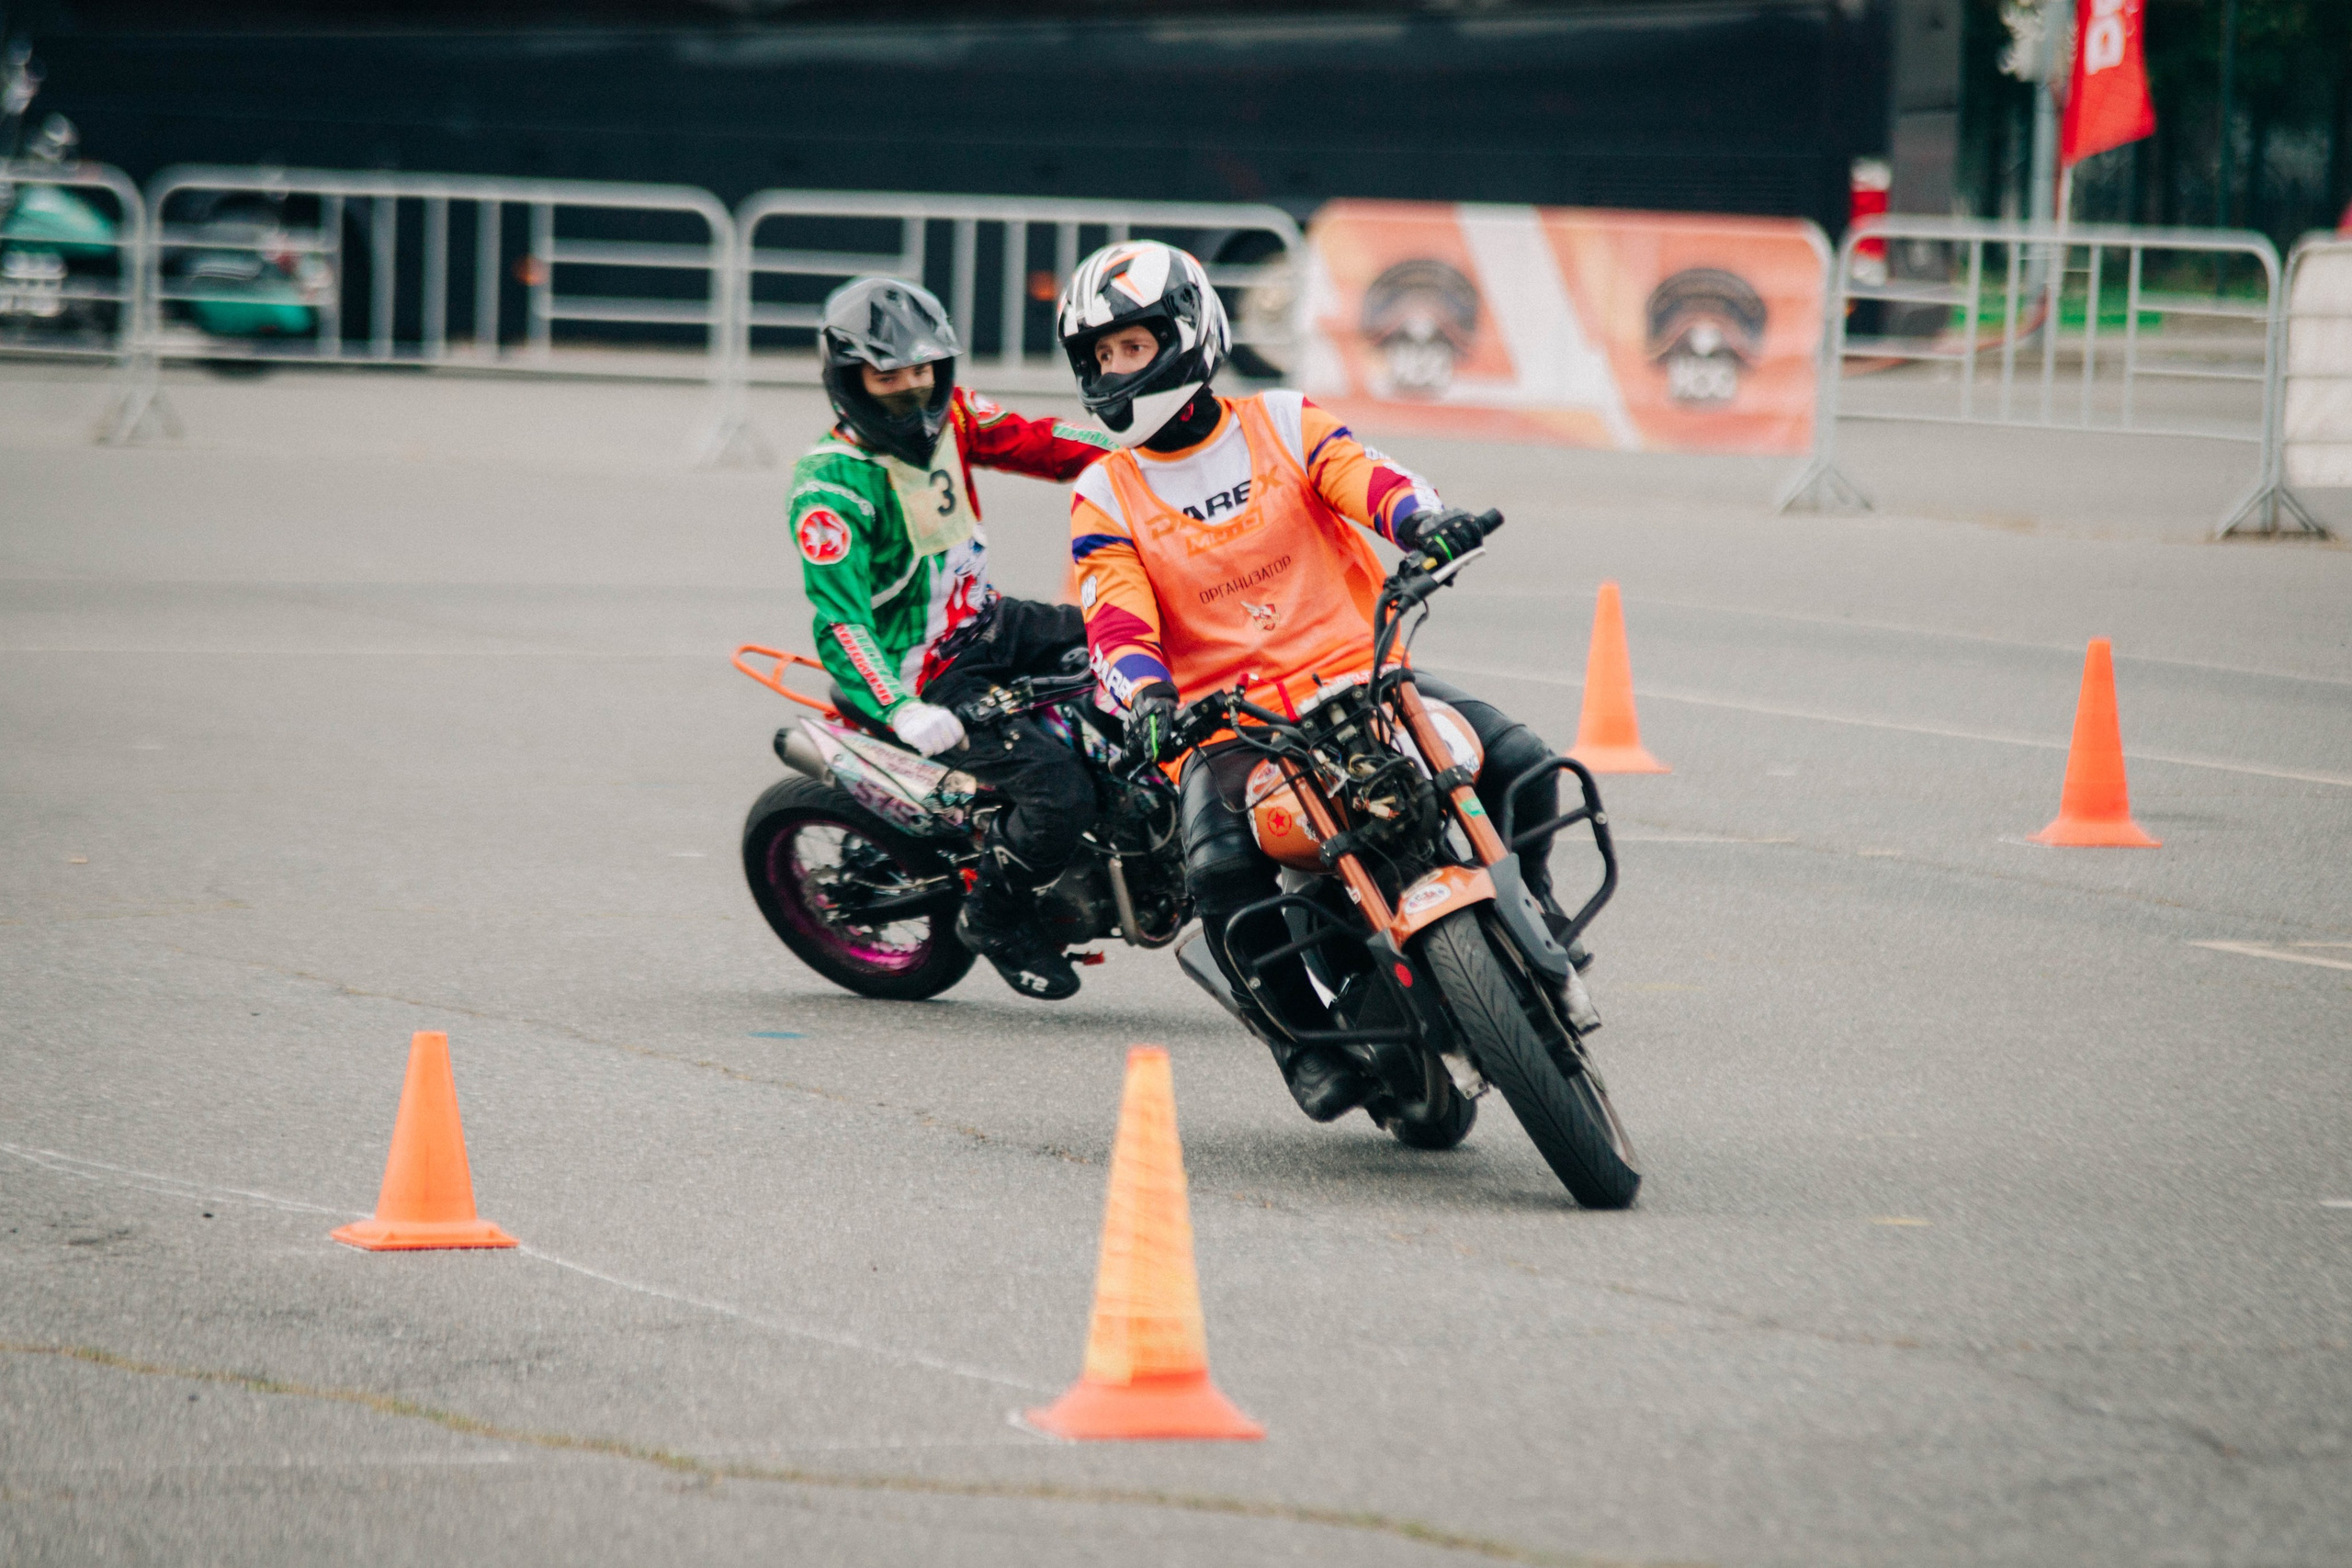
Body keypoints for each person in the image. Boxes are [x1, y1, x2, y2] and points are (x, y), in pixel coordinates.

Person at [1057, 240, 1567, 1121]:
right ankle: (1299, 1042)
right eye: (1099, 356)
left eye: (1131, 346)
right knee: (1217, 871)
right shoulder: (1106, 490)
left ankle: (1535, 906)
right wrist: (1143, 696)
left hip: (1362, 680)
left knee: (1523, 761)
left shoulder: (1283, 420)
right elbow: (1114, 612)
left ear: (1187, 331)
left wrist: (1424, 523)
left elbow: (1366, 478)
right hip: (1232, 728)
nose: (1114, 369)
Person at [793, 275, 1115, 1000]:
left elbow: (1047, 441)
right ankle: (995, 915)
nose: (911, 389)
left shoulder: (956, 415)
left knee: (1132, 645)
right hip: (925, 675)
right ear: (849, 380)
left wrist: (1143, 451)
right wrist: (904, 708)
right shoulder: (832, 489)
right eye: (888, 376)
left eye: (923, 371)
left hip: (988, 623)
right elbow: (840, 621)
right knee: (1058, 794)